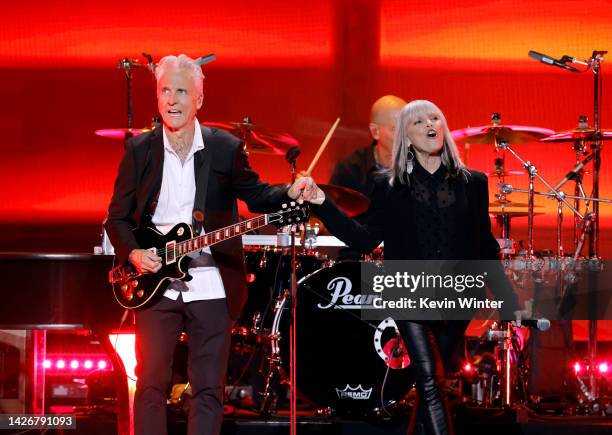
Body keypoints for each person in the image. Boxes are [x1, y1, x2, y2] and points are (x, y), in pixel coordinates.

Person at [295, 100, 522, 435]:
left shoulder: (473, 183)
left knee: (433, 382)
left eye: (435, 118)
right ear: (407, 136)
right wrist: (321, 203)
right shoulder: (388, 185)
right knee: (430, 381)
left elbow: (485, 247)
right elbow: (364, 239)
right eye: (419, 122)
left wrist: (506, 298)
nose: (430, 125)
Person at [105, 54, 304, 435]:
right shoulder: (140, 150)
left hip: (212, 282)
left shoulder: (225, 148)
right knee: (150, 383)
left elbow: (257, 195)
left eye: (181, 91)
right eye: (165, 91)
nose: (172, 100)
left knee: (209, 389)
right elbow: (117, 217)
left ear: (199, 100)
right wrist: (132, 252)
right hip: (154, 284)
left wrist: (289, 192)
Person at [329, 95, 406, 197]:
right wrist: (313, 197)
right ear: (375, 132)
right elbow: (332, 209)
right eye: (396, 129)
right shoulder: (351, 169)